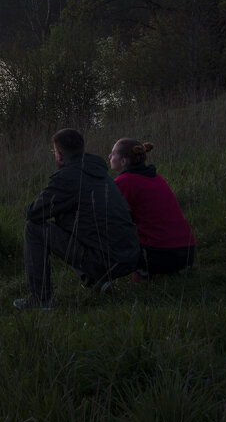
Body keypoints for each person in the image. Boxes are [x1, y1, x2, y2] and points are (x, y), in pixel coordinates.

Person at [14, 128, 139, 310]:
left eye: (55, 152)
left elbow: (34, 213)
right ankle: (96, 281)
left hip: (106, 260)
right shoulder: (99, 173)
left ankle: (41, 299)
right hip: (129, 256)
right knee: (68, 219)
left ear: (60, 156)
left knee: (34, 229)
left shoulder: (68, 178)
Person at [109, 138, 196, 277]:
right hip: (187, 251)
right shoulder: (155, 176)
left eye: (113, 154)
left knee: (106, 232)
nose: (110, 157)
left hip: (161, 254)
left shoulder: (123, 182)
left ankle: (143, 271)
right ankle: (160, 271)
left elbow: (112, 219)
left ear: (124, 161)